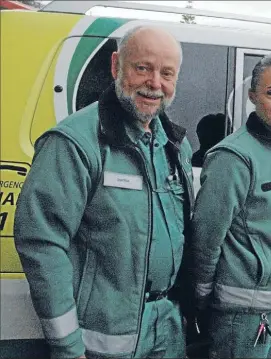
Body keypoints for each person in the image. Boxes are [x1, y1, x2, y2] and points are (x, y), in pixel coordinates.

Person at [14, 25, 194, 359]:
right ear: (116, 66)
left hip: (167, 334)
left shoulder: (176, 147)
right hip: (101, 342)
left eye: (166, 73)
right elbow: (42, 244)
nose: (155, 83)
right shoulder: (75, 143)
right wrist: (67, 345)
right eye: (143, 68)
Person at [189, 53, 271, 359]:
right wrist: (201, 297)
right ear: (253, 96)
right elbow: (207, 236)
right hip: (244, 313)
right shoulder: (233, 157)